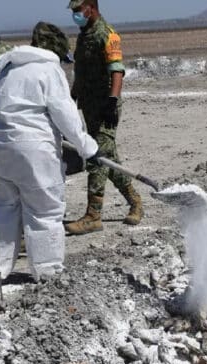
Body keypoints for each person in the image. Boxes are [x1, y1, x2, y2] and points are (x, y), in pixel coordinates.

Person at [0, 23, 104, 282]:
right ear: (56, 51)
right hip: (33, 151)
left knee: (4, 206)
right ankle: (47, 273)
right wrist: (87, 147)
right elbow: (65, 115)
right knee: (44, 211)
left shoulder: (2, 67)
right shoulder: (49, 69)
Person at [65, 0, 143, 235]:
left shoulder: (107, 34)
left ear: (90, 7)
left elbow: (117, 70)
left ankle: (93, 215)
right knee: (108, 156)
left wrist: (112, 100)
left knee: (97, 156)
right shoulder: (84, 35)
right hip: (89, 106)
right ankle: (135, 201)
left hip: (106, 106)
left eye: (78, 10)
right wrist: (73, 96)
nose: (76, 15)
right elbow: (80, 69)